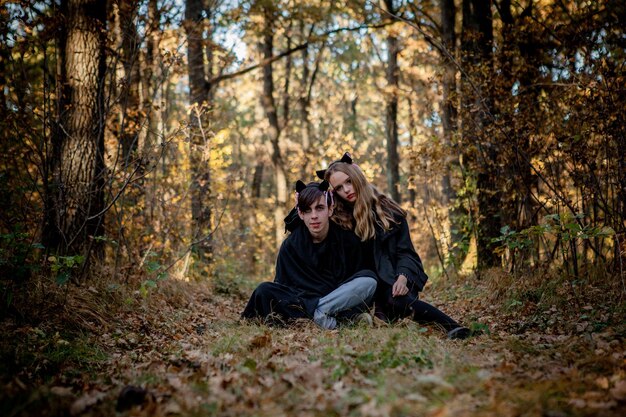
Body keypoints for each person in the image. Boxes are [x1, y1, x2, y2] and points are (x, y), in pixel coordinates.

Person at [319, 152, 471, 339]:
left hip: (390, 280)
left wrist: (403, 277)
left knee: (397, 301)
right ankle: (367, 316)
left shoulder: (388, 211)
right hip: (360, 287)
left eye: (349, 181)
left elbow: (405, 251)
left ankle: (453, 328)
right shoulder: (338, 218)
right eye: (339, 187)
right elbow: (310, 215)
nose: (347, 190)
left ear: (357, 176)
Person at [241, 180, 377, 330]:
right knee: (264, 290)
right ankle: (330, 320)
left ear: (330, 209)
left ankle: (320, 313)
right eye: (307, 210)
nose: (314, 216)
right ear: (300, 213)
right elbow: (283, 287)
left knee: (369, 280)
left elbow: (354, 287)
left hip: (338, 303)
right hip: (302, 302)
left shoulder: (347, 240)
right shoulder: (290, 246)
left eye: (319, 208)